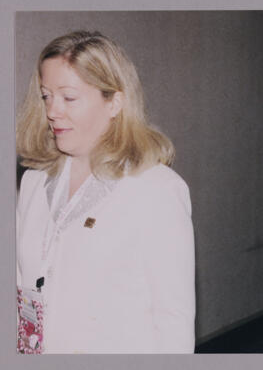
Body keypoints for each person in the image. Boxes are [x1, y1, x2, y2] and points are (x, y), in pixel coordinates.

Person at [16, 31, 195, 354]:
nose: (53, 111)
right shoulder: (33, 182)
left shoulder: (157, 190)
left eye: (68, 97)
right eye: (46, 96)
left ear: (114, 102)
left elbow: (173, 322)